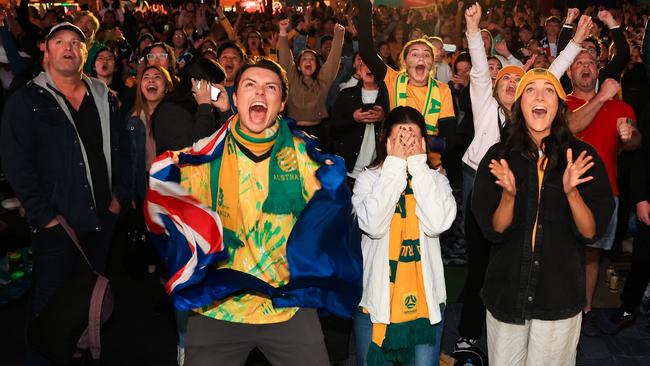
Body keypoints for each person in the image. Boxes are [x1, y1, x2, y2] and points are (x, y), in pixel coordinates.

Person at [144, 58, 361, 366]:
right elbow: (169, 202)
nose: (260, 93)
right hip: (219, 307)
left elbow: (329, 225)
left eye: (270, 88)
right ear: (235, 98)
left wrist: (335, 192)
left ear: (282, 102)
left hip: (287, 305)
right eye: (250, 85)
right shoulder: (204, 154)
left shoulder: (305, 156)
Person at [455, 3, 590, 350]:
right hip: (477, 179)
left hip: (522, 185)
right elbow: (481, 71)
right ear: (495, 89)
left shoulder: (530, 117)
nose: (512, 83)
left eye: (519, 81)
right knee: (480, 259)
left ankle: (514, 325)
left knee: (514, 257)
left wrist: (574, 43)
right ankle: (469, 336)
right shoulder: (484, 105)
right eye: (507, 80)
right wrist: (472, 30)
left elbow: (551, 73)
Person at [0, 22, 127, 364]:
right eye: (60, 41)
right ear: (46, 49)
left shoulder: (104, 96)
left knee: (88, 303)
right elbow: (16, 164)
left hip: (101, 221)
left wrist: (117, 202)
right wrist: (46, 219)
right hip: (57, 227)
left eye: (76, 42)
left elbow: (122, 149)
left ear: (86, 53)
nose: (69, 47)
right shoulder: (27, 100)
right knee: (49, 311)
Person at [472, 68, 615, 366]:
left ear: (561, 105)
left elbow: (591, 233)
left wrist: (572, 194)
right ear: (519, 105)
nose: (539, 96)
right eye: (530, 90)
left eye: (548, 90)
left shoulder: (582, 157)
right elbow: (494, 231)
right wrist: (509, 196)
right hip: (508, 291)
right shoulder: (498, 156)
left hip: (558, 296)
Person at [352, 106, 456, 365]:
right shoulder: (368, 180)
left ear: (423, 143)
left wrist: (419, 169)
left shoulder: (436, 180)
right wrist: (395, 166)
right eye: (401, 139)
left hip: (425, 303)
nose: (407, 145)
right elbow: (373, 226)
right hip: (375, 304)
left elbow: (437, 223)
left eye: (413, 140)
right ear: (386, 142)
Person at [565, 49, 641, 337]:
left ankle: (584, 309)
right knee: (561, 251)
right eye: (579, 63)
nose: (585, 67)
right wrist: (601, 97)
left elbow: (635, 142)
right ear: (570, 72)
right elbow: (572, 126)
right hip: (564, 190)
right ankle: (559, 304)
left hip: (605, 193)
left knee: (591, 255)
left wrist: (629, 135)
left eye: (590, 63)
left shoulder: (620, 107)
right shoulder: (561, 103)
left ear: (598, 70)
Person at [356, 0, 456, 170]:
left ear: (432, 63)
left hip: (429, 167)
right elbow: (366, 51)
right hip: (395, 164)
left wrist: (419, 146)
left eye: (426, 55)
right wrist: (366, 5)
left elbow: (450, 138)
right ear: (404, 61)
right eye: (414, 54)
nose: (421, 58)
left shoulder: (443, 89)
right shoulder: (392, 79)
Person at [277, 18, 344, 146]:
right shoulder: (291, 80)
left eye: (312, 59)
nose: (308, 61)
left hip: (319, 134)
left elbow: (334, 59)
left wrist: (339, 34)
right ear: (298, 66)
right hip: (293, 133)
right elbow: (285, 56)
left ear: (317, 66)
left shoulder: (323, 82)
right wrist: (282, 32)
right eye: (304, 59)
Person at [152, 57, 229, 154]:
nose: (217, 94)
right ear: (198, 85)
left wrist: (226, 112)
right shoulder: (169, 110)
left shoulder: (209, 111)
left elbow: (230, 145)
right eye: (216, 89)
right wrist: (204, 107)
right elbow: (194, 152)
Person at [330, 60, 389, 187]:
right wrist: (353, 118)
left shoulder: (388, 96)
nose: (369, 68)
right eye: (364, 64)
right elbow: (333, 128)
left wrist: (384, 118)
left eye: (373, 64)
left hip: (379, 171)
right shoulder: (346, 94)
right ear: (358, 69)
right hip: (349, 171)